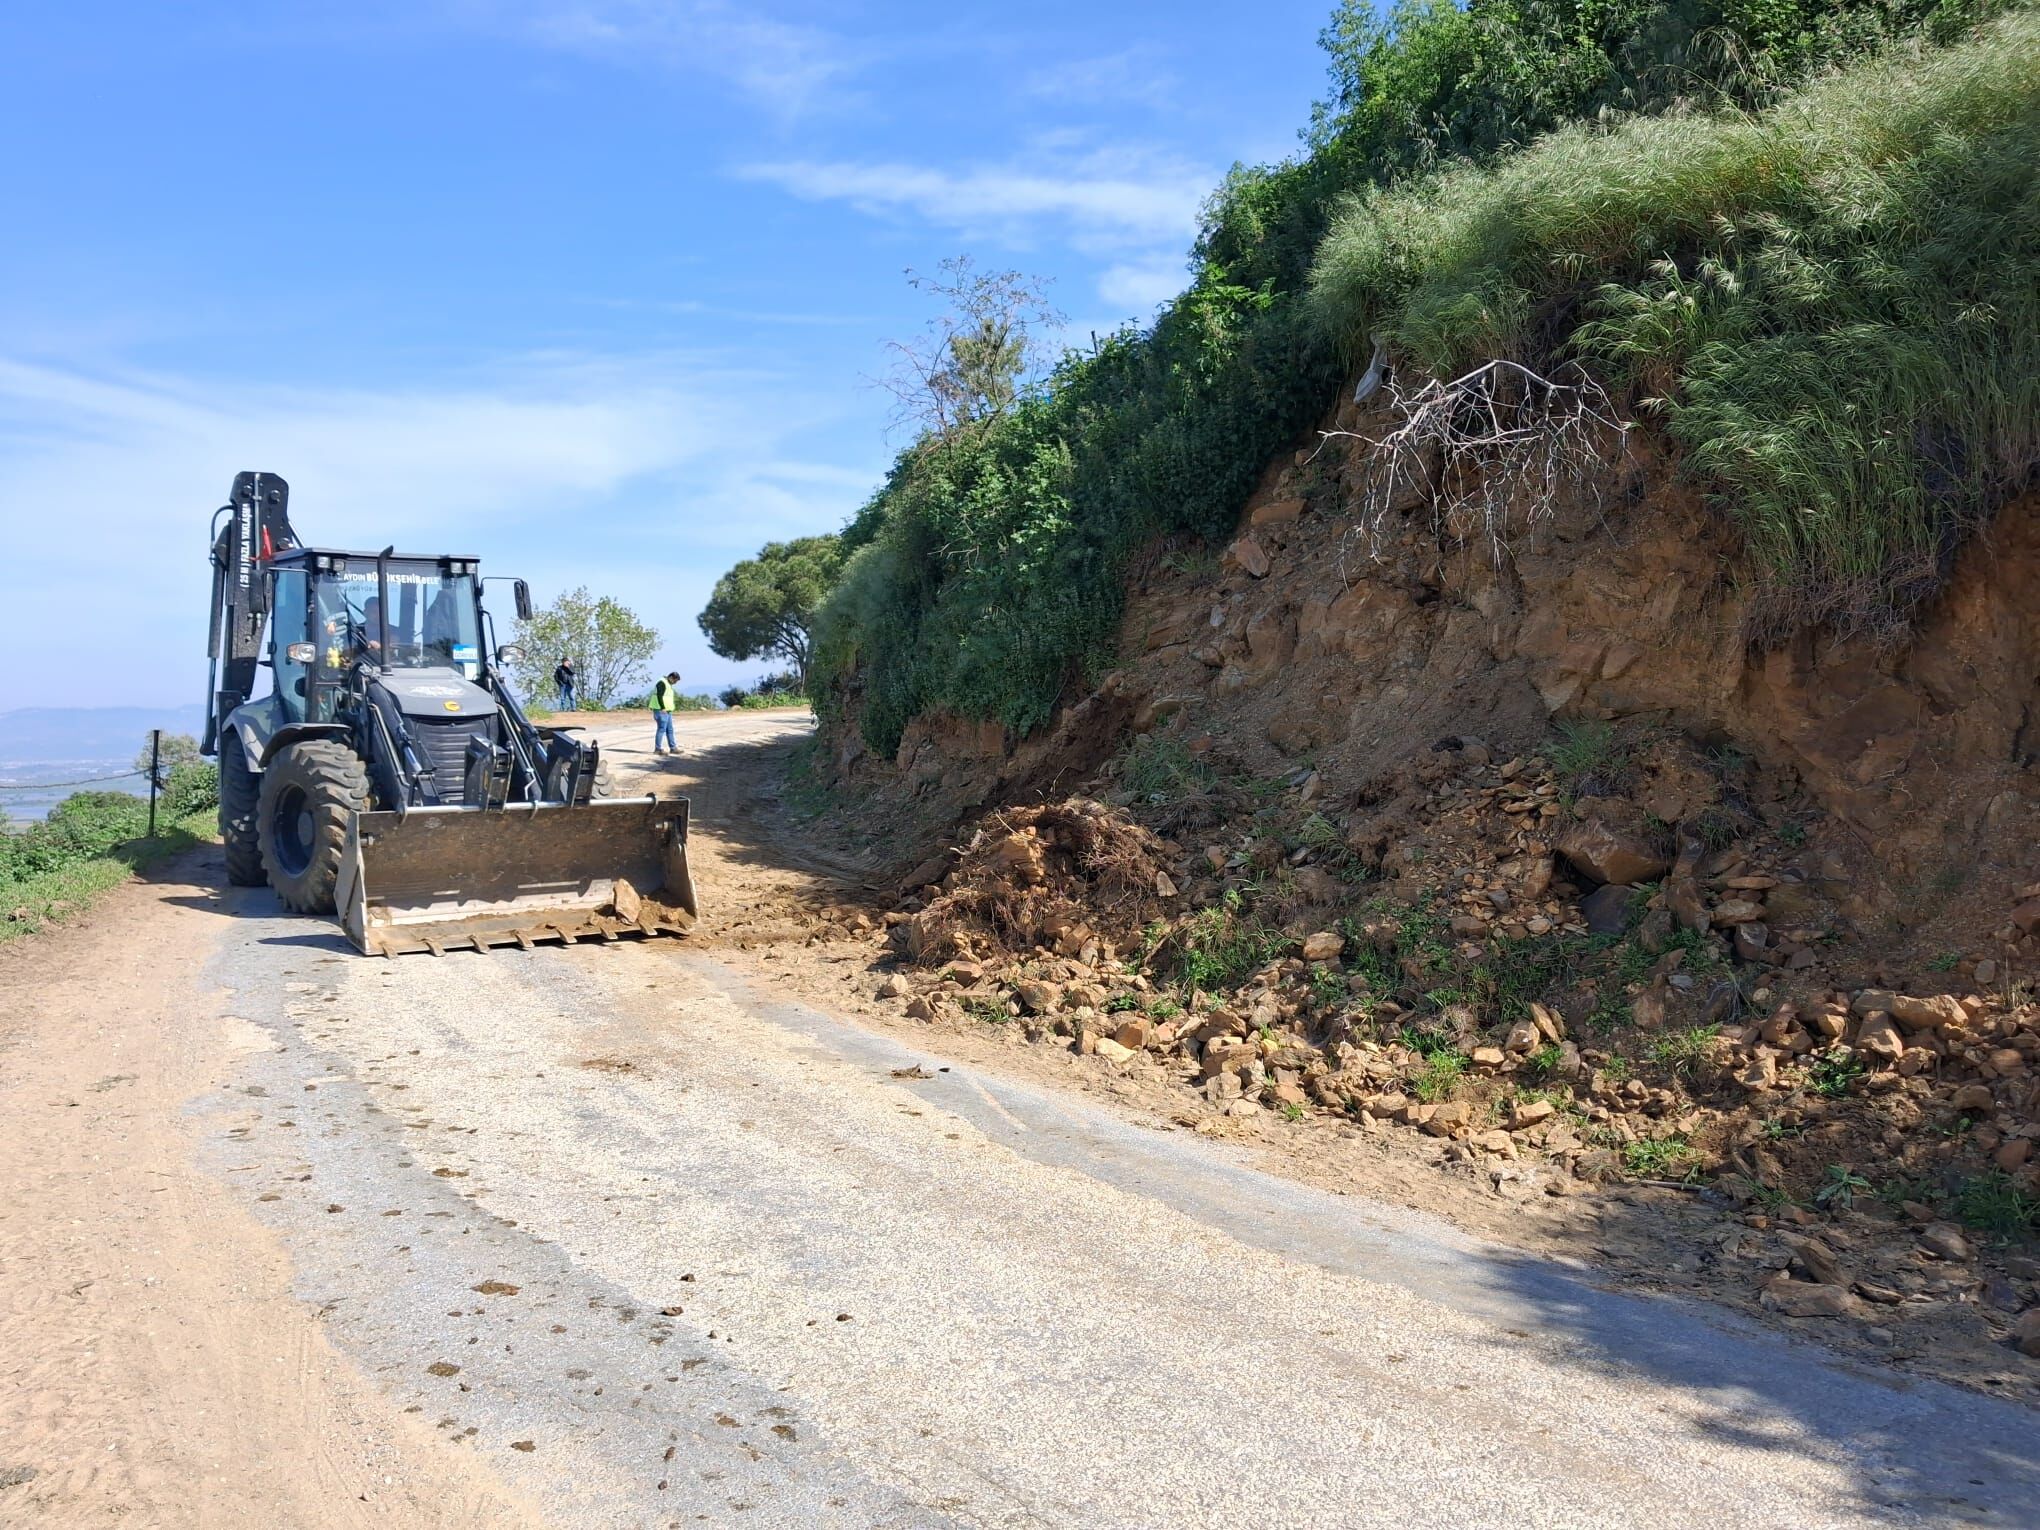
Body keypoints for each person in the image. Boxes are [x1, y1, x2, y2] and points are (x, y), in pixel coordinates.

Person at [651, 671, 681, 755]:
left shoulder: (668, 684)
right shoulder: (662, 683)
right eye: (675, 681)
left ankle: (673, 748)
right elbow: (659, 696)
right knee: (661, 729)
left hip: (667, 711)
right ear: (671, 677)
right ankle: (657, 749)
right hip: (661, 710)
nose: (675, 683)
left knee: (670, 730)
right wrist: (662, 707)